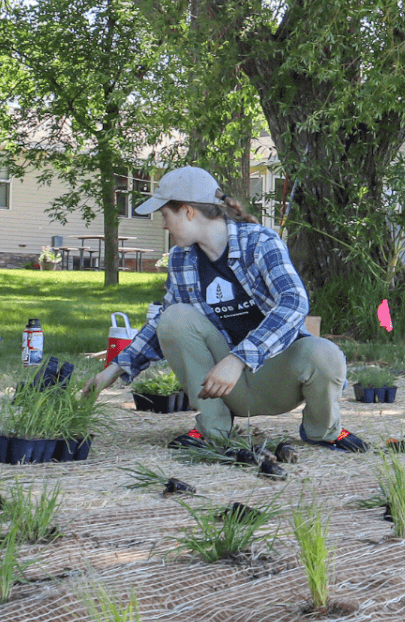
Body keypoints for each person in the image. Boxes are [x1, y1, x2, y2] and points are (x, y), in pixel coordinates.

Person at [85, 167, 367, 452]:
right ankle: (213, 428)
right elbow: (162, 325)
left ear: (188, 211)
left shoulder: (260, 242)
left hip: (277, 380)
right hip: (222, 387)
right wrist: (112, 371)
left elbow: (294, 302)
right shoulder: (181, 259)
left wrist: (239, 359)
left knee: (325, 353)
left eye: (165, 216)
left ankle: (323, 431)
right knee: (173, 317)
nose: (164, 226)